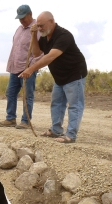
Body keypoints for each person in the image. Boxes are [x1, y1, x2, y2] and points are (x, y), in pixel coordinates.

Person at [20, 11, 87, 143]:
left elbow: (50, 56)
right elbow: (37, 52)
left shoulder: (64, 35)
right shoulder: (44, 37)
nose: (40, 29)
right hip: (59, 77)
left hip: (74, 74)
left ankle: (71, 135)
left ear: (51, 21)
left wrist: (31, 69)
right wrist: (33, 36)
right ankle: (56, 130)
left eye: (41, 26)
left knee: (75, 105)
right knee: (56, 103)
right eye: (38, 26)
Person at [0, 5, 41, 129]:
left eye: (23, 17)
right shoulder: (19, 29)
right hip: (15, 67)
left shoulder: (36, 29)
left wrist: (31, 67)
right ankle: (11, 118)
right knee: (10, 93)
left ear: (30, 14)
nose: (21, 20)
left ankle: (26, 121)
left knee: (27, 95)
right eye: (19, 18)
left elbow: (39, 51)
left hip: (27, 68)